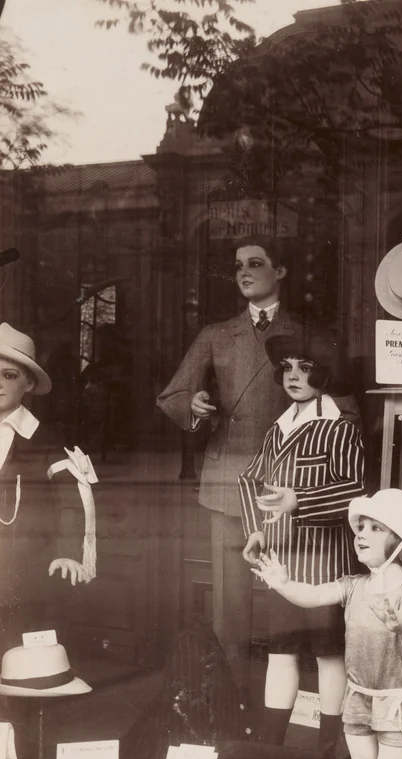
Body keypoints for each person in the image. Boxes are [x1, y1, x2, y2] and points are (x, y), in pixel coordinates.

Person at [156, 236, 358, 695]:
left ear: (280, 271)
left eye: (255, 263)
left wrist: (317, 452)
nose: (244, 273)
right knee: (230, 605)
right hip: (230, 482)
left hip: (295, 487)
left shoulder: (305, 331)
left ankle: (300, 705)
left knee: (300, 597)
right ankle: (232, 699)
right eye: (237, 266)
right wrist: (195, 404)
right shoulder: (216, 334)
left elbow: (345, 408)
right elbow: (172, 395)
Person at [254, 490, 402, 759]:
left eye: (375, 528)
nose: (361, 534)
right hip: (359, 696)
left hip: (397, 701)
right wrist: (283, 583)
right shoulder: (353, 585)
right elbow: (314, 595)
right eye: (360, 527)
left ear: (399, 541)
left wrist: (397, 622)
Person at [238, 328, 365, 759]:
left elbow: (354, 492)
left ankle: (327, 750)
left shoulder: (340, 427)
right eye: (287, 367)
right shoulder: (278, 429)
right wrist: (256, 530)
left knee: (329, 655)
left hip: (326, 561)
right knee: (281, 652)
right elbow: (249, 479)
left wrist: (300, 500)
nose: (292, 375)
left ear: (324, 375)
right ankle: (271, 746)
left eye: (305, 368)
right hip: (282, 559)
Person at [0, 324, 91, 759]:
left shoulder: (44, 438)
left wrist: (69, 549)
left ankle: (20, 756)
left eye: (9, 375)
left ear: (29, 384)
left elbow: (72, 498)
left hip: (27, 574)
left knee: (24, 664)